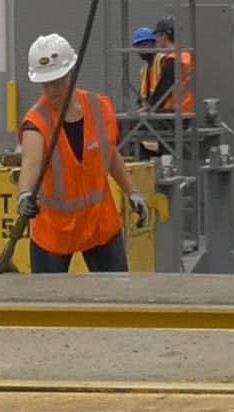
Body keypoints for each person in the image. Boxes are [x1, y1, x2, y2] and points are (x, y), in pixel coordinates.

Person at [10, 32, 146, 273]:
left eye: (57, 82)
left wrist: (131, 191)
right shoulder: (37, 121)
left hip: (100, 224)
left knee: (116, 293)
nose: (51, 90)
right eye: (46, 83)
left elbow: (110, 154)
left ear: (71, 74)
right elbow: (31, 163)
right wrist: (25, 194)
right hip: (55, 231)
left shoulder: (98, 107)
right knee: (49, 298)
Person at [135, 19, 196, 115]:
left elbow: (163, 89)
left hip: (176, 112)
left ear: (164, 36)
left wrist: (148, 108)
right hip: (185, 109)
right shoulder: (184, 55)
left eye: (157, 36)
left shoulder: (173, 59)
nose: (156, 40)